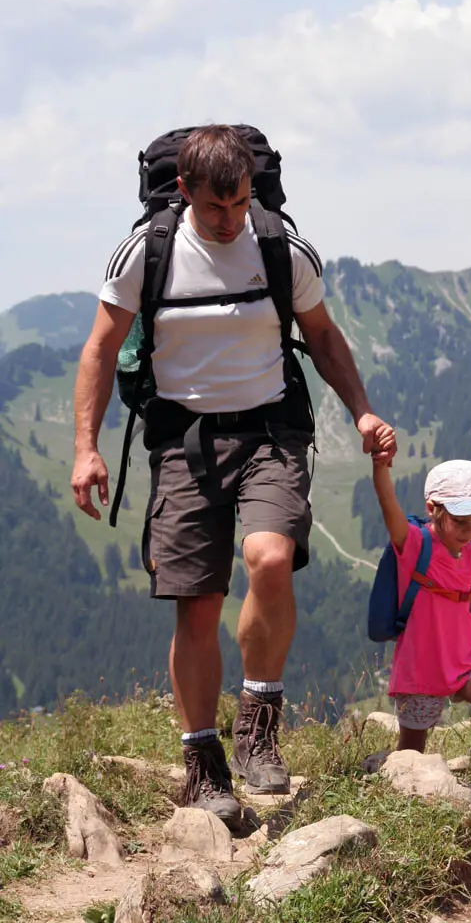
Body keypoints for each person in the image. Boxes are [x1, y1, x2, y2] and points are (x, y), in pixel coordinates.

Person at [71, 125, 396, 830]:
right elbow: (99, 347)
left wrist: (363, 410)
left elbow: (324, 336)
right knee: (196, 603)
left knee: (270, 558)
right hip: (183, 441)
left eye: (242, 203)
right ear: (184, 191)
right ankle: (203, 764)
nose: (231, 221)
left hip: (272, 431)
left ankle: (258, 722)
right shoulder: (147, 253)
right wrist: (84, 448)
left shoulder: (280, 245)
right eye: (217, 208)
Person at [371, 457, 471, 808]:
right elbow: (387, 504)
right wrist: (380, 465)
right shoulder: (415, 546)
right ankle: (402, 801)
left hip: (464, 661)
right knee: (412, 751)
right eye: (461, 521)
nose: (470, 529)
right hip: (422, 668)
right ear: (432, 509)